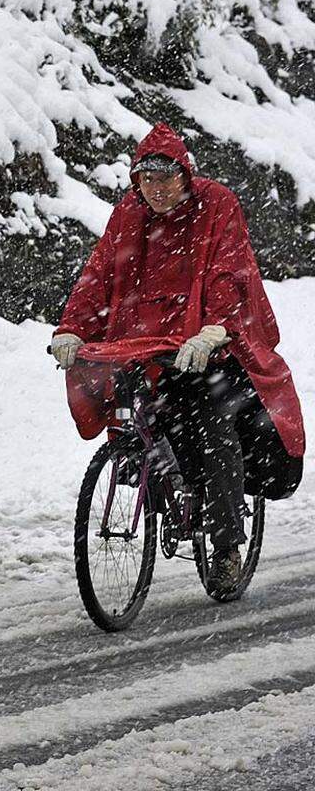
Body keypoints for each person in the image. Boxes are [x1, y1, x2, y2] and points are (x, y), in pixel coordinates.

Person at [49, 122, 304, 594]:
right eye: (147, 181)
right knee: (132, 415)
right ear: (136, 182)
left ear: (184, 174)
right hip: (142, 344)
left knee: (212, 429)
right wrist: (72, 326)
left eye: (165, 179)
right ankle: (146, 468)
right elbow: (100, 273)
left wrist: (215, 329)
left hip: (206, 343)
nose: (157, 189)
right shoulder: (129, 214)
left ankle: (226, 546)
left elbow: (230, 268)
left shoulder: (217, 205)